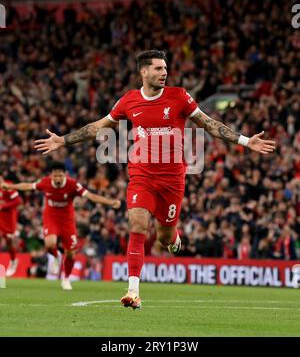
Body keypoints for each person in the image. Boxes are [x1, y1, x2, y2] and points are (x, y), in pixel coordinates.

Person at [33, 50, 276, 307]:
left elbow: (209, 123)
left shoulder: (179, 96)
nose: (164, 73)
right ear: (144, 72)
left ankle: (173, 238)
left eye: (165, 68)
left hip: (172, 178)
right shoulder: (129, 101)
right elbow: (98, 126)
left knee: (164, 237)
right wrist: (64, 139)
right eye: (159, 69)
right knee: (137, 225)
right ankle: (133, 291)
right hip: (142, 175)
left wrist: (246, 140)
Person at [1, 162, 121, 290]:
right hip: (51, 217)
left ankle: (66, 278)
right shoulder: (45, 182)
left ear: (65, 174)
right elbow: (28, 186)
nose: (57, 179)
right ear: (51, 175)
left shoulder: (72, 185)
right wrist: (11, 186)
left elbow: (91, 196)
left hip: (67, 221)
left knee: (70, 254)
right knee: (49, 244)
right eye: (55, 176)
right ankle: (56, 256)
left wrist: (110, 202)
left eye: (60, 176)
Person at [0, 174, 22, 277]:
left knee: (8, 241)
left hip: (8, 219)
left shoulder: (8, 186)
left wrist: (3, 206)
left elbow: (18, 201)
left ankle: (13, 260)